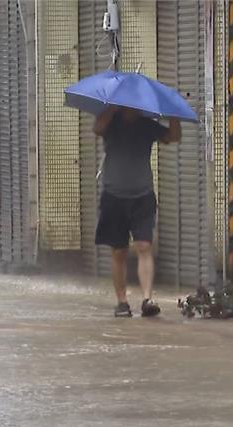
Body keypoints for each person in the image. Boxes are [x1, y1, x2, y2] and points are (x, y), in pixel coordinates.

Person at [93, 105, 181, 317]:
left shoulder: (146, 126)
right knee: (118, 250)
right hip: (113, 195)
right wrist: (111, 108)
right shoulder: (110, 122)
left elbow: (172, 137)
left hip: (142, 195)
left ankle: (147, 298)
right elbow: (97, 128)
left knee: (144, 245)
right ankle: (122, 301)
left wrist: (174, 117)